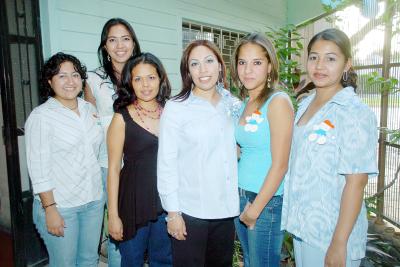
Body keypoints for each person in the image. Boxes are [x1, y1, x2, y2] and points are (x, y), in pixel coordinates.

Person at [281, 28, 378, 267]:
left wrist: (339, 242)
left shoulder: (355, 112)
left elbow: (356, 183)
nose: (320, 65)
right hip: (304, 226)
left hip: (332, 233)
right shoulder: (305, 104)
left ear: (347, 65)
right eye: (314, 57)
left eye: (330, 58)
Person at [157, 40, 241, 267]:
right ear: (188, 71)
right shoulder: (176, 108)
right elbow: (166, 164)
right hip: (190, 211)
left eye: (209, 61)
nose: (203, 70)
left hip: (225, 211)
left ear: (220, 66)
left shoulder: (233, 105)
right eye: (195, 64)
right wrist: (173, 213)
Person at [25, 52, 104, 267]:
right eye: (62, 76)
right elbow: (38, 168)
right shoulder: (41, 116)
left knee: (89, 260)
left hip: (94, 200)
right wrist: (50, 209)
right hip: (61, 205)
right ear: (50, 81)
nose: (70, 81)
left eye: (75, 75)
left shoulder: (90, 109)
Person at [230, 32, 294, 267]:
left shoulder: (278, 102)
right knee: (249, 261)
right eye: (242, 62)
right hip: (241, 194)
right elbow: (242, 150)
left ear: (269, 66)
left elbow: (280, 164)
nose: (248, 70)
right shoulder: (246, 103)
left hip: (264, 201)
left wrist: (255, 209)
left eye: (257, 62)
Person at [84, 17, 141, 266]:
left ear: (134, 43)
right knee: (117, 227)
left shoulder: (144, 72)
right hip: (109, 164)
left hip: (142, 162)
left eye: (125, 38)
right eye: (112, 40)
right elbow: (88, 124)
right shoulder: (93, 79)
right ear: (104, 46)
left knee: (140, 226)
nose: (120, 45)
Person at [107, 53, 172, 266]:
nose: (145, 85)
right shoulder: (121, 117)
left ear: (161, 79)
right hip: (132, 203)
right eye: (138, 79)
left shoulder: (173, 113)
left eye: (151, 78)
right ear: (130, 82)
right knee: (132, 260)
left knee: (164, 261)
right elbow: (114, 169)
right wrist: (113, 216)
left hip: (167, 203)